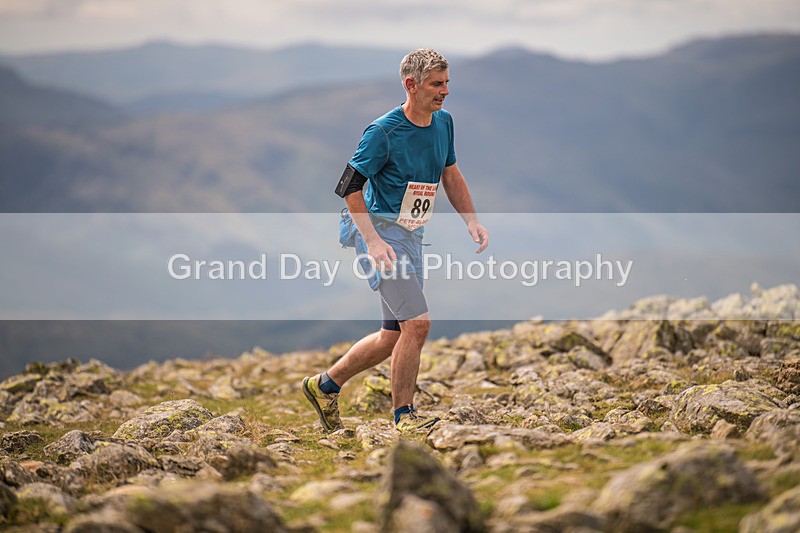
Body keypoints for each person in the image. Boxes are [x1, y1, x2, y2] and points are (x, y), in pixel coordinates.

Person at [302, 48, 489, 433]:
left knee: (393, 335)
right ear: (411, 84)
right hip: (380, 235)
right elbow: (349, 186)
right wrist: (372, 241)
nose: (445, 91)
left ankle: (324, 386)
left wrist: (471, 220)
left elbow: (450, 174)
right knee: (417, 325)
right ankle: (405, 416)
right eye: (436, 84)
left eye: (447, 82)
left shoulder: (444, 122)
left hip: (410, 236)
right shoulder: (383, 131)